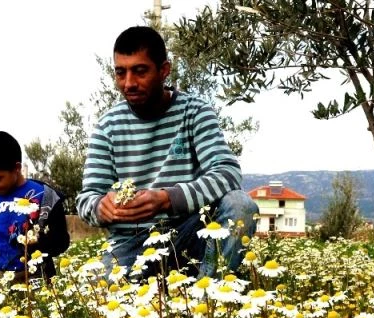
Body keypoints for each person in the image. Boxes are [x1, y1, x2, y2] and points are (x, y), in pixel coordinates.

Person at [76, 26, 258, 278]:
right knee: (97, 292)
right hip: (131, 245)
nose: (128, 83)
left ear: (164, 70)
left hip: (190, 233)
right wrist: (100, 207)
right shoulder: (107, 126)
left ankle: (207, 299)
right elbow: (86, 199)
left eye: (140, 71)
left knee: (241, 205)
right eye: (121, 73)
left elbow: (227, 174)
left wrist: (166, 199)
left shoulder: (194, 112)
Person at [0, 130, 69, 288]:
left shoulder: (45, 197)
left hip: (29, 276)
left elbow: (62, 241)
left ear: (17, 168)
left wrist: (38, 243)